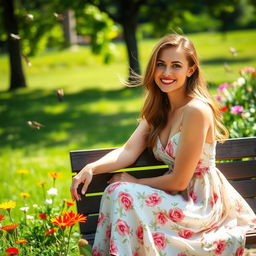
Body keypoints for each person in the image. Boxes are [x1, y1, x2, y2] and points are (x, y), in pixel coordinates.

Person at [70, 34, 256, 256]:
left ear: (190, 69)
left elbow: (179, 180)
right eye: (161, 65)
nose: (166, 73)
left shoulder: (196, 110)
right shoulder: (159, 110)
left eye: (176, 65)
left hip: (199, 204)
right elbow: (128, 151)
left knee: (121, 191)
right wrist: (91, 168)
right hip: (173, 198)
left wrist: (136, 181)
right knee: (117, 190)